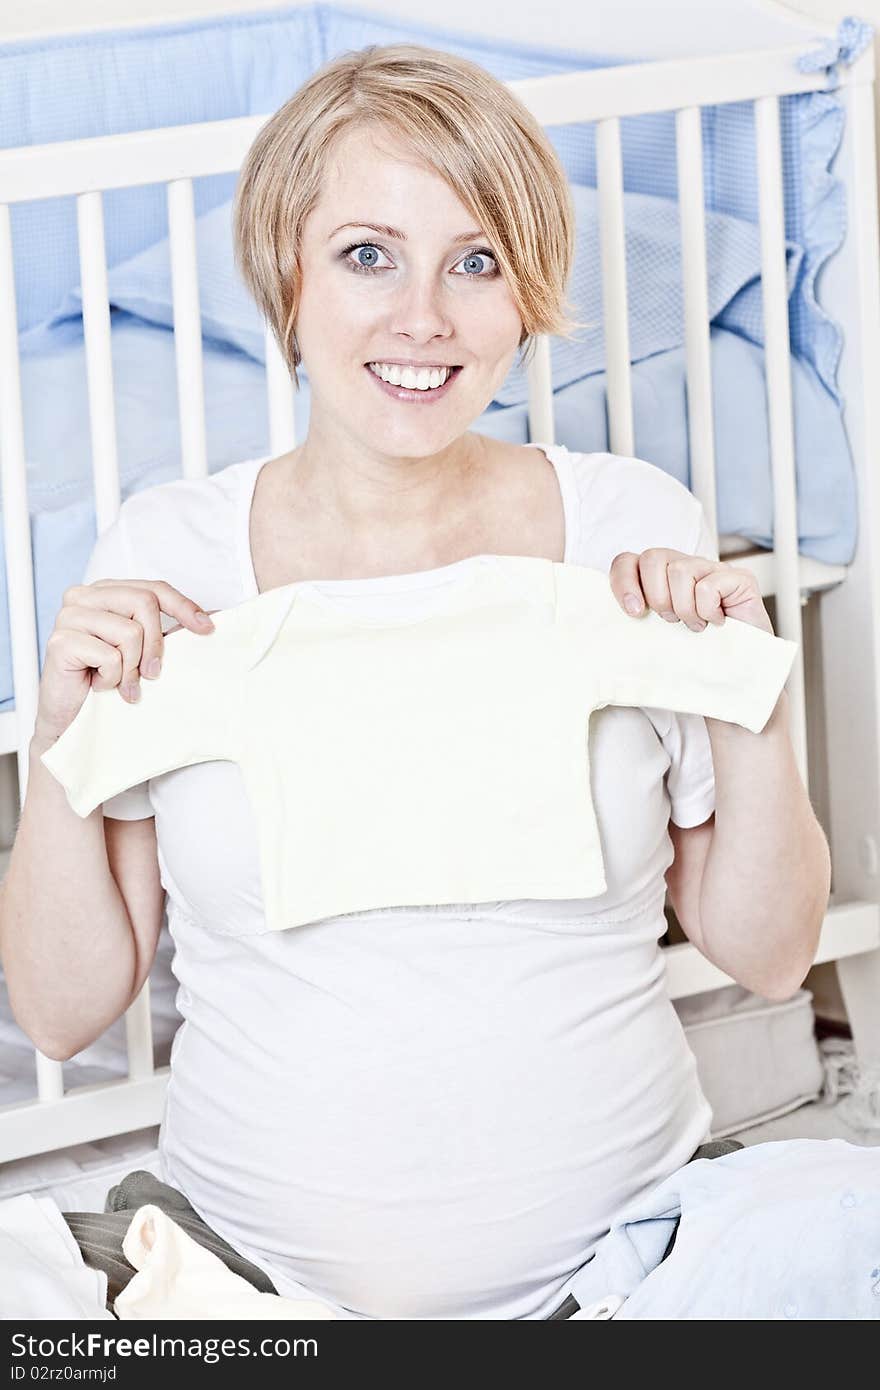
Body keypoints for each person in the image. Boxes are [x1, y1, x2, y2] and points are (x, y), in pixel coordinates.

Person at [0, 43, 831, 1320]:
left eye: (476, 261)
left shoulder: (624, 524)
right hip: (249, 1286)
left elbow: (771, 954)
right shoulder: (171, 559)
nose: (423, 318)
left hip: (625, 1271)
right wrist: (63, 744)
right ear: (290, 272)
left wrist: (750, 691)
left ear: (524, 295)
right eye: (367, 254)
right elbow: (60, 1016)